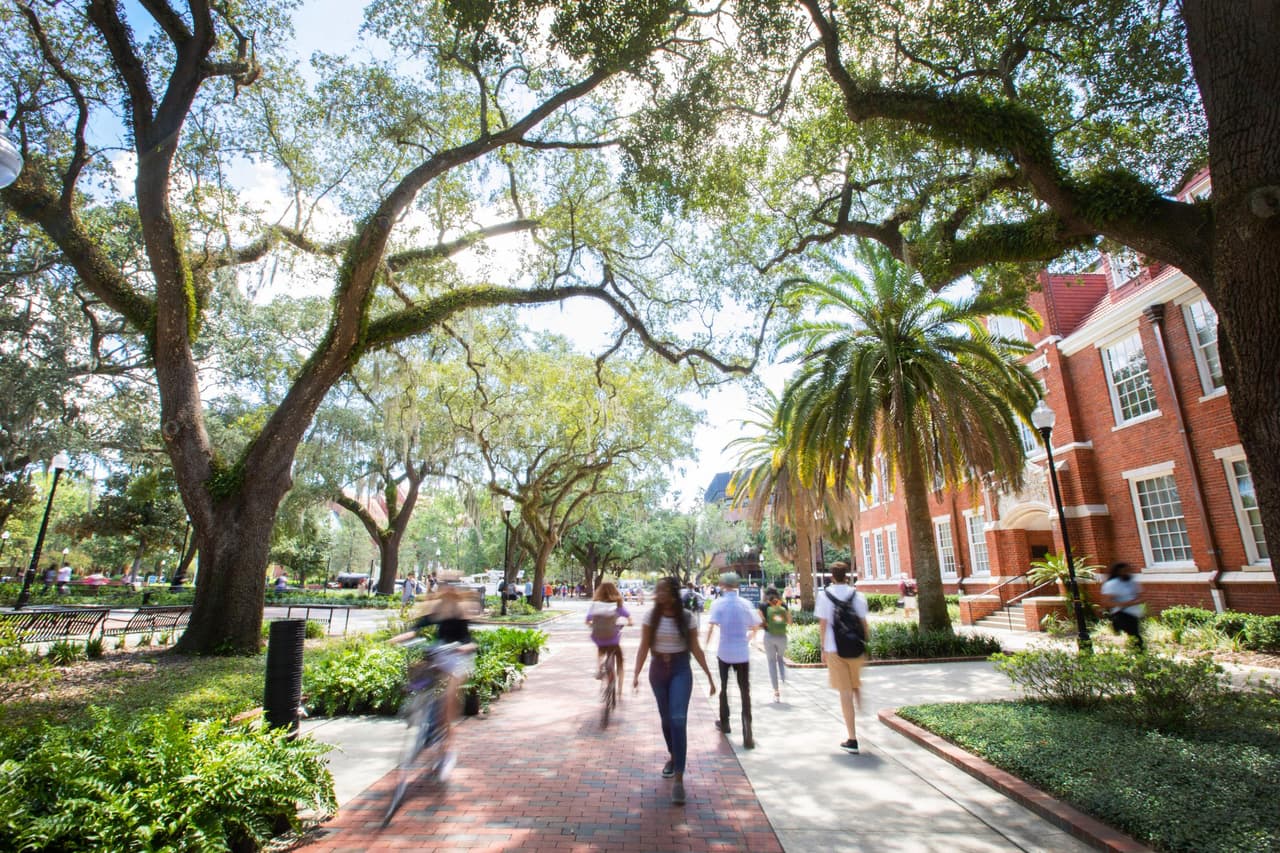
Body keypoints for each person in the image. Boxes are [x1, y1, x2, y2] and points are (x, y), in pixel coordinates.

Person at [633, 576, 717, 806]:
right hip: (658, 670)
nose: (657, 594)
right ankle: (673, 755)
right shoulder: (652, 616)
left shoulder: (687, 618)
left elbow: (695, 648)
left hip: (681, 669)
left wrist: (709, 676)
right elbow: (643, 646)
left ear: (672, 594)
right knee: (666, 720)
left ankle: (679, 777)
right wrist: (636, 673)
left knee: (678, 719)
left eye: (661, 590)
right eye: (657, 591)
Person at [392, 578, 478, 779]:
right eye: (444, 586)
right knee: (420, 668)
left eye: (451, 587)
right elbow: (417, 628)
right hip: (440, 652)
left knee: (448, 700)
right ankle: (415, 705)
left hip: (458, 657)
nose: (447, 590)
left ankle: (447, 752)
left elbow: (471, 641)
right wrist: (402, 638)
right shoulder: (437, 608)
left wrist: (463, 647)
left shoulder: (461, 610)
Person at [814, 561, 870, 754]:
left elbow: (823, 624)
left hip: (833, 648)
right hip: (855, 647)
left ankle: (852, 738)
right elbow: (864, 624)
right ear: (847, 575)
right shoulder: (858, 595)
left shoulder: (824, 595)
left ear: (831, 576)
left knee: (844, 694)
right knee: (854, 684)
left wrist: (822, 647)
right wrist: (865, 645)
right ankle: (862, 709)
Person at [705, 571, 762, 749]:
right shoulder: (745, 604)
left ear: (722, 585)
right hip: (742, 653)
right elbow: (756, 624)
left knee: (723, 687)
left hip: (724, 651)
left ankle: (725, 722)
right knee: (745, 691)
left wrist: (705, 645)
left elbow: (712, 626)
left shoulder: (718, 604)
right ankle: (747, 732)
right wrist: (749, 637)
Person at [586, 582, 632, 686]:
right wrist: (629, 623)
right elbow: (628, 617)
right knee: (620, 659)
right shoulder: (617, 604)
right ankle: (619, 690)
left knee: (600, 649)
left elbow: (588, 620)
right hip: (613, 637)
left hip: (598, 637)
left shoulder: (595, 604)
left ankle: (599, 668)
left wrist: (592, 625)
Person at [1101, 562, 1144, 650]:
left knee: (1135, 635)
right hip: (1121, 613)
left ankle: (1135, 651)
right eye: (1125, 571)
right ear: (1119, 572)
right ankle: (1139, 653)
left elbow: (1140, 595)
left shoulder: (1132, 582)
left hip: (1133, 613)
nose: (1128, 572)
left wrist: (1138, 602)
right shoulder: (1112, 584)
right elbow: (1107, 601)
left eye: (1129, 570)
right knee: (1136, 637)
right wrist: (1125, 604)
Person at [761, 588, 791, 702]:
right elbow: (789, 621)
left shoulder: (763, 606)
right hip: (782, 636)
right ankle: (783, 678)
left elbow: (761, 621)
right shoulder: (783, 605)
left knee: (771, 662)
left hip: (769, 636)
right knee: (780, 658)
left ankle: (776, 691)